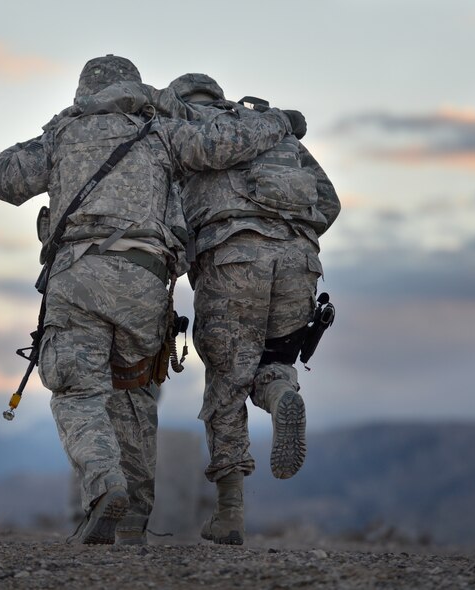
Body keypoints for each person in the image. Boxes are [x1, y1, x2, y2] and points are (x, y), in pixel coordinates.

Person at [0, 56, 303, 545]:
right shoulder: (162, 133)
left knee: (78, 390)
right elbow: (223, 144)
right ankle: (131, 523)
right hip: (146, 285)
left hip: (79, 276)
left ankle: (105, 485)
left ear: (83, 92)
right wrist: (280, 121)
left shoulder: (64, 136)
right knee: (133, 396)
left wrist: (58, 126)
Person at [168, 72, 341, 545]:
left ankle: (229, 515)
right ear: (219, 97)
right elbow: (328, 201)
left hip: (232, 258)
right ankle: (283, 396)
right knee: (275, 359)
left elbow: (165, 214)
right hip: (300, 259)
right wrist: (289, 236)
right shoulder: (271, 127)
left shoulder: (182, 132)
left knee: (226, 383)